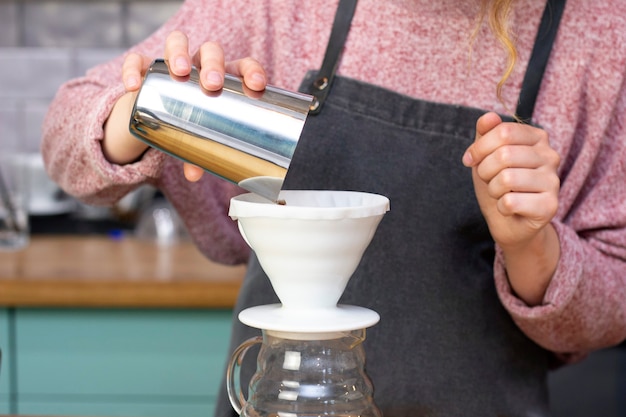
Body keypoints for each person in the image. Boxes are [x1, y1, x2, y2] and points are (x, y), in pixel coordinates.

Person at [41, 0, 626, 416]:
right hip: (280, 401)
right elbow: (66, 135)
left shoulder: (599, 30)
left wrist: (530, 243)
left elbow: (614, 301)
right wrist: (156, 113)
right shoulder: (284, 7)